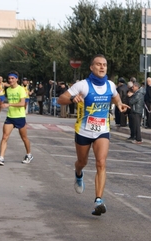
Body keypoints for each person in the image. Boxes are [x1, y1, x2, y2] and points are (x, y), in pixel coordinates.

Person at [57, 54, 129, 216]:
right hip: (83, 130)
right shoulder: (82, 85)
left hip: (102, 130)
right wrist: (72, 99)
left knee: (101, 163)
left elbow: (115, 98)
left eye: (104, 64)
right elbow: (60, 99)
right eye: (98, 64)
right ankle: (78, 173)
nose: (102, 67)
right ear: (91, 67)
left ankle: (98, 200)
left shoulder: (110, 85)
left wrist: (119, 105)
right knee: (82, 161)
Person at [0, 70, 33, 166]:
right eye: (9, 78)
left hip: (20, 116)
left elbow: (22, 104)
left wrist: (8, 104)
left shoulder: (21, 89)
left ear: (17, 79)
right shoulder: (8, 89)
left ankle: (29, 154)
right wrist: (3, 106)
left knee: (24, 138)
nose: (10, 80)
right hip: (10, 117)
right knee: (4, 137)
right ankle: (1, 157)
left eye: (12, 78)